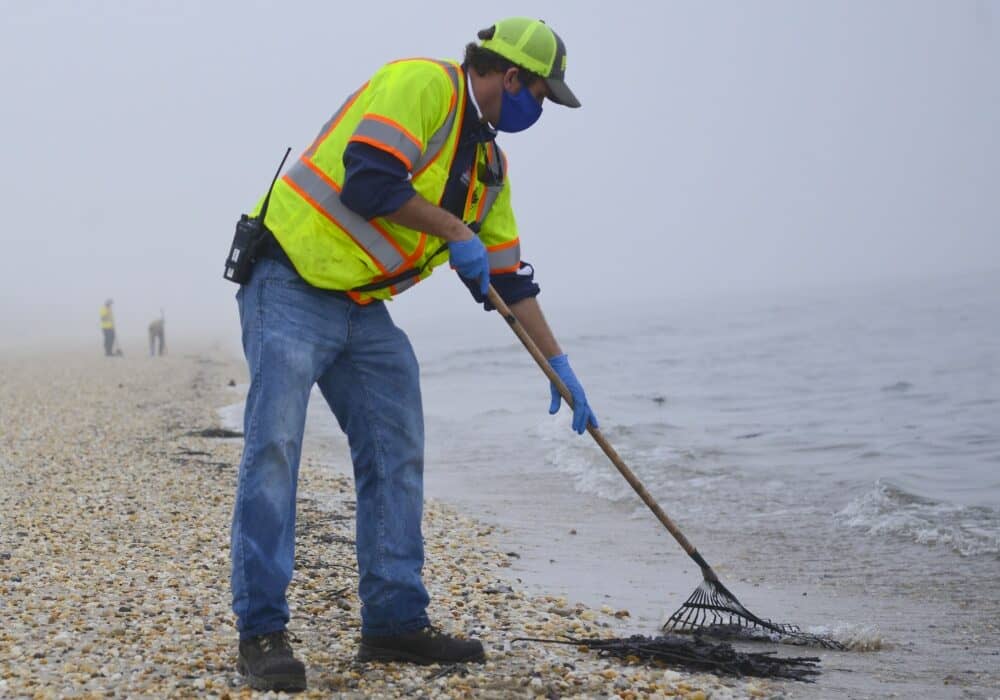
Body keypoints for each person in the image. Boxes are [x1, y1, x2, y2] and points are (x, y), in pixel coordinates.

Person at [229, 17, 598, 692]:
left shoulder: (490, 169)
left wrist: (559, 366)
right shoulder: (423, 85)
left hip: (360, 309)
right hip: (286, 278)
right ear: (509, 78)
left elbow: (509, 279)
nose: (540, 109)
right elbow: (366, 181)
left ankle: (394, 621)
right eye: (542, 95)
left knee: (396, 444)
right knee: (276, 445)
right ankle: (261, 629)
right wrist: (455, 230)